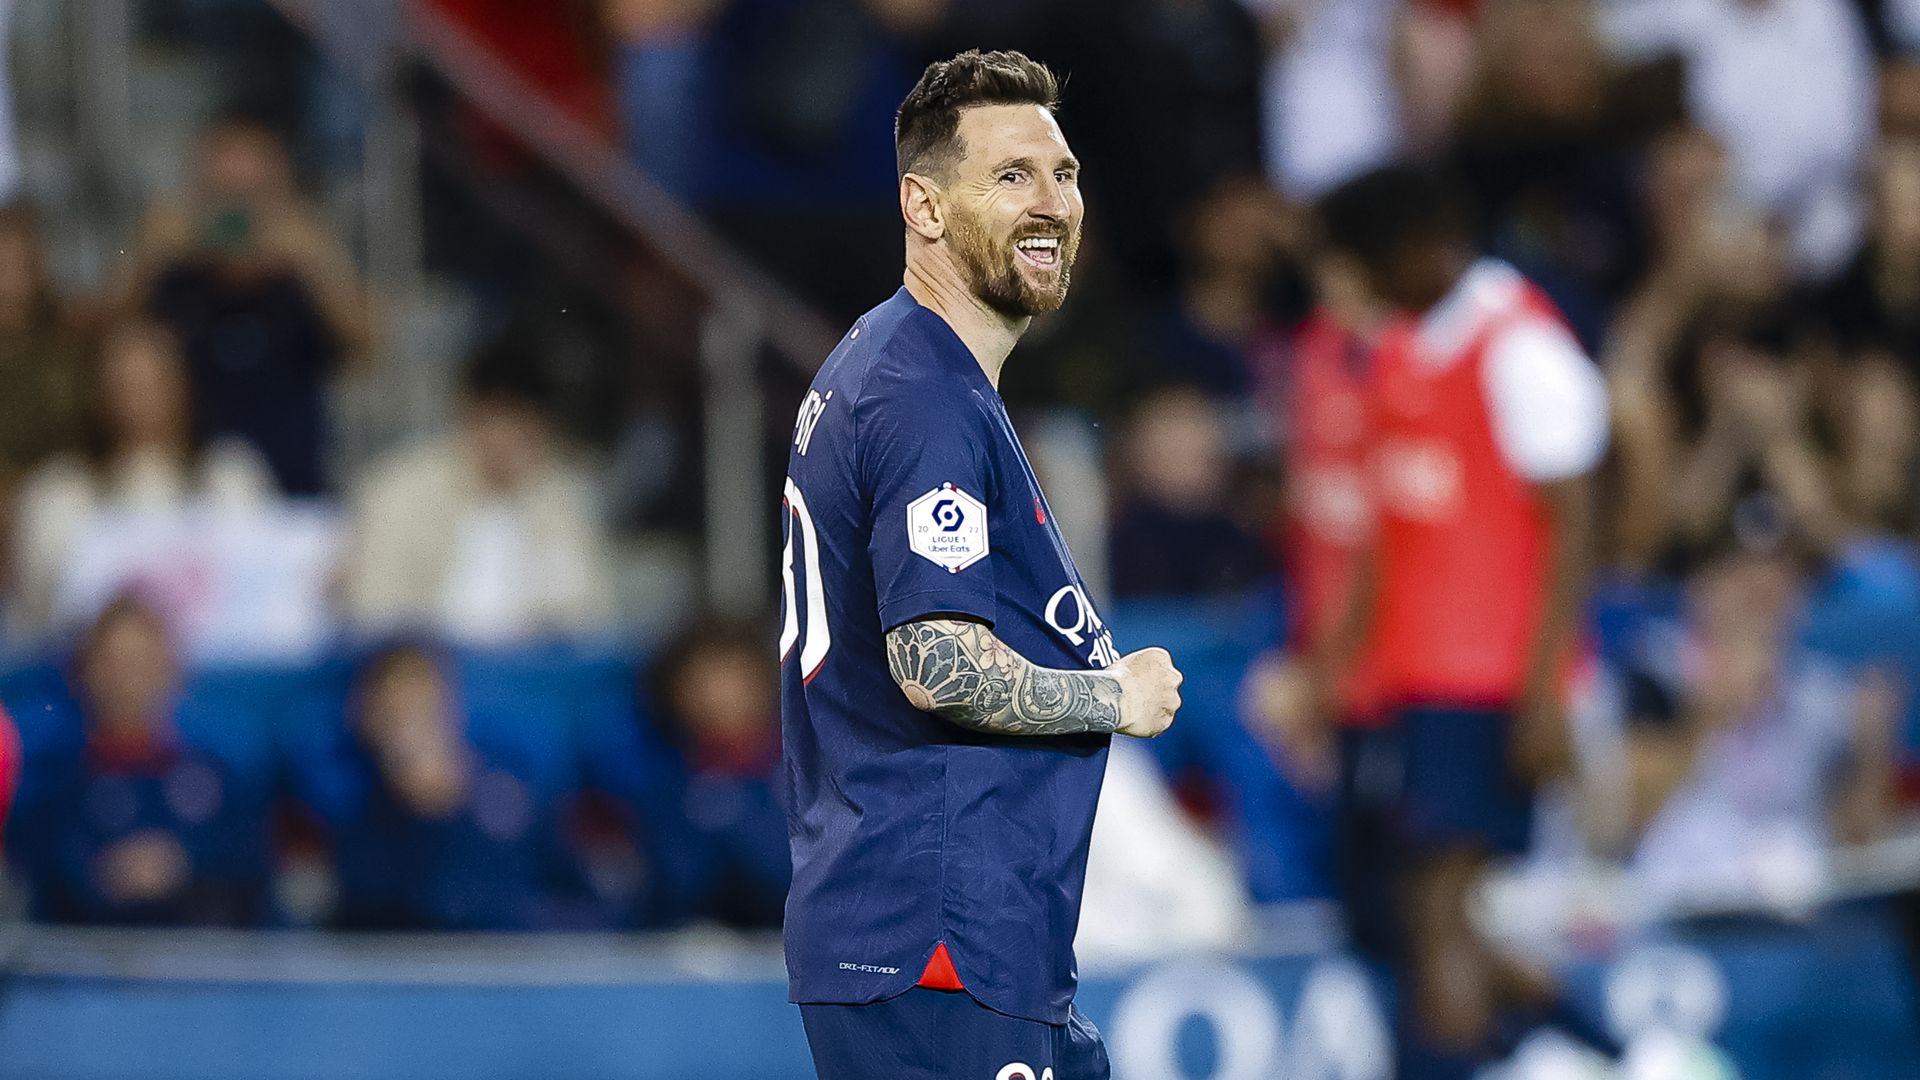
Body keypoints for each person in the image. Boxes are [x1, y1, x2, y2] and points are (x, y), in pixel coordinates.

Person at [778, 50, 1183, 1080]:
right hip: (939, 936)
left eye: (1066, 174)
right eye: (1011, 176)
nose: (1051, 203)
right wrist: (1111, 695)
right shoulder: (923, 398)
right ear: (923, 204)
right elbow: (935, 662)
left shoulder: (902, 365)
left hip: (955, 936)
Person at [1308, 164, 1611, 1078]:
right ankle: (1613, 1048)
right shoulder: (1406, 347)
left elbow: (1573, 533)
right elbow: (1390, 538)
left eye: (1367, 263)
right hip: (1415, 679)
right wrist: (1336, 665)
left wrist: (1545, 694)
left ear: (1418, 249)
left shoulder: (1523, 349)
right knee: (1400, 910)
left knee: (1434, 904)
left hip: (1490, 683)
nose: (1358, 286)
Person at [339, 338, 615, 645]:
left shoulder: (563, 500)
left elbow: (591, 616)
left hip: (532, 675)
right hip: (432, 674)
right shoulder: (399, 489)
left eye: (523, 429)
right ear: (467, 413)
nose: (506, 441)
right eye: (497, 420)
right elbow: (374, 609)